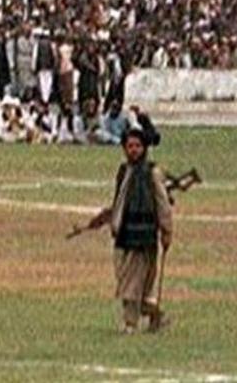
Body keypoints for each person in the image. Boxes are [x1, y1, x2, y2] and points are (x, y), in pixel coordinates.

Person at [76, 127, 176, 334]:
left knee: (133, 283)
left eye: (138, 146)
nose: (133, 150)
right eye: (129, 146)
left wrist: (167, 230)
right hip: (123, 234)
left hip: (143, 235)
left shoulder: (152, 173)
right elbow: (119, 201)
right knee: (126, 280)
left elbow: (162, 203)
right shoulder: (124, 171)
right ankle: (156, 314)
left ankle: (130, 323)